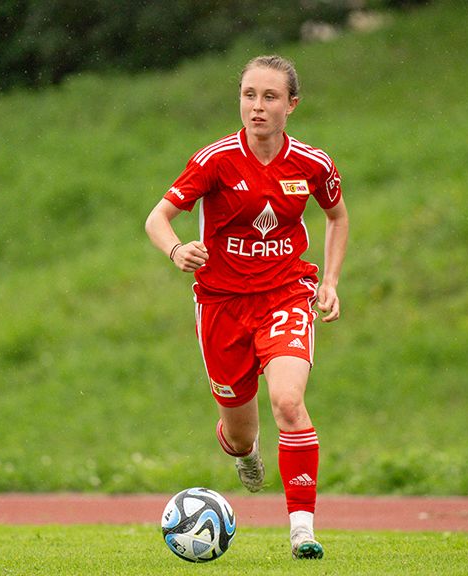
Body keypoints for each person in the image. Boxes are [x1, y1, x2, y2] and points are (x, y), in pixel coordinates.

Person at [145, 54, 348, 560]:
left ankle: (302, 528)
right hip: (221, 305)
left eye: (270, 97)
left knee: (287, 402)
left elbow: (337, 216)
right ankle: (245, 452)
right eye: (249, 95)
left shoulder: (313, 163)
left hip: (285, 294)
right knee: (239, 434)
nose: (257, 107)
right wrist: (176, 249)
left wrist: (332, 281)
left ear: (292, 105)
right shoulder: (215, 160)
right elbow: (158, 218)